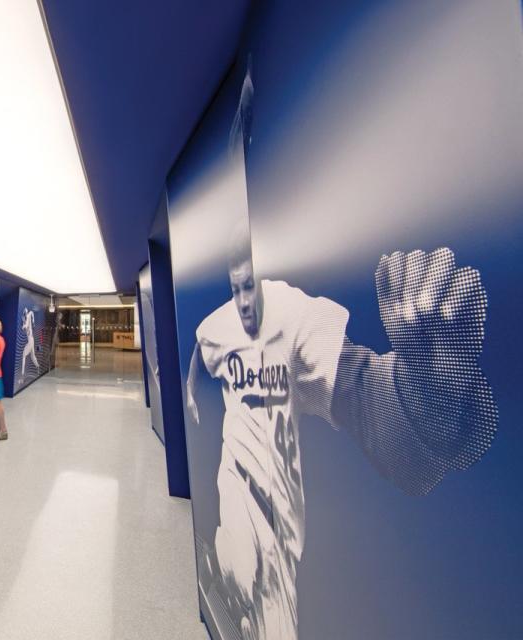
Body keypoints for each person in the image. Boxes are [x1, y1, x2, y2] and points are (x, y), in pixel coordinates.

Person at [185, 63, 498, 640]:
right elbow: (198, 364)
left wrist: (432, 384)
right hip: (227, 543)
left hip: (275, 593)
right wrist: (192, 407)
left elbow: (393, 435)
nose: (242, 285)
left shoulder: (292, 315)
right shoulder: (214, 325)